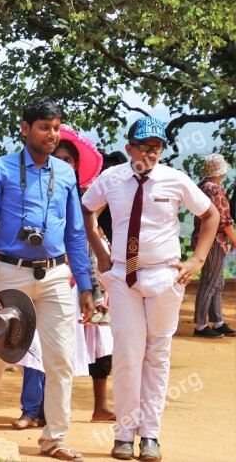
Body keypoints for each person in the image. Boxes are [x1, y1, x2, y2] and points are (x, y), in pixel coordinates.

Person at [0, 98, 96, 462]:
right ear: (25, 128)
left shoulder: (66, 174)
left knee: (61, 359)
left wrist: (85, 284)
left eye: (56, 128)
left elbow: (76, 234)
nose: (52, 134)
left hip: (54, 275)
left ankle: (55, 439)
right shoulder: (0, 169)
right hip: (9, 271)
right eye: (44, 127)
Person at [82, 116, 220, 461]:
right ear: (130, 148)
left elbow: (211, 216)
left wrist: (197, 261)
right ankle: (125, 435)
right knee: (128, 356)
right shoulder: (111, 179)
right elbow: (85, 211)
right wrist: (101, 253)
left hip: (163, 276)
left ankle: (151, 436)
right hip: (124, 277)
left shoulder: (175, 179)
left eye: (157, 147)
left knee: (157, 356)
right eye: (144, 146)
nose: (151, 153)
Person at [52, 132, 115, 423]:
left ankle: (101, 405)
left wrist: (94, 289)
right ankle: (40, 410)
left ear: (76, 166)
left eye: (68, 160)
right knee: (53, 346)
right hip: (52, 277)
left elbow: (89, 243)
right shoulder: (38, 194)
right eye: (57, 158)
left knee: (100, 341)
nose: (62, 163)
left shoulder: (86, 199)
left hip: (86, 279)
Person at [190, 153, 235, 338]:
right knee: (211, 283)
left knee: (215, 282)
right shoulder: (214, 189)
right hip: (215, 240)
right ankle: (201, 325)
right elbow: (225, 221)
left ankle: (217, 322)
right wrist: (235, 239)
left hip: (204, 239)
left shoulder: (202, 187)